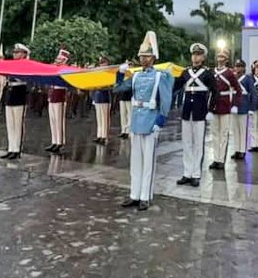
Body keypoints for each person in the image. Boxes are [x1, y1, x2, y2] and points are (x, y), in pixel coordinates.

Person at [114, 31, 173, 210]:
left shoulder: (160, 76)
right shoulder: (136, 76)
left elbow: (166, 99)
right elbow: (118, 89)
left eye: (145, 56)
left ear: (153, 57)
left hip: (151, 119)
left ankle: (145, 196)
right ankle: (134, 194)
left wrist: (160, 120)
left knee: (149, 162)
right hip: (137, 121)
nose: (142, 59)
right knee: (136, 161)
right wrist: (120, 73)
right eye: (141, 56)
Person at [174, 43, 216, 186]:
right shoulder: (185, 72)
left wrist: (210, 110)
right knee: (186, 143)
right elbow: (176, 86)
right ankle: (187, 172)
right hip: (187, 111)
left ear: (203, 57)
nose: (195, 57)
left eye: (198, 54)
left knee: (198, 143)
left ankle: (196, 174)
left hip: (200, 110)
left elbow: (215, 92)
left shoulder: (207, 73)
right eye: (194, 54)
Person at [208, 49, 243, 170]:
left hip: (225, 105)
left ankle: (221, 160)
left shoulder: (229, 74)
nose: (220, 58)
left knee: (223, 134)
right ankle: (215, 158)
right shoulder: (212, 72)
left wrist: (234, 105)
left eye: (223, 57)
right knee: (214, 134)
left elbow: (238, 90)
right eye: (219, 56)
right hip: (213, 106)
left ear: (226, 60)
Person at [1, 43, 30, 160]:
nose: (14, 54)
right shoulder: (11, 65)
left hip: (19, 96)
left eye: (17, 52)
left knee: (18, 125)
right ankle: (11, 148)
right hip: (10, 96)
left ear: (24, 54)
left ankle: (17, 149)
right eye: (14, 52)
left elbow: (25, 81)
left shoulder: (26, 65)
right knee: (10, 124)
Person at [46, 48, 70, 153]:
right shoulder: (54, 68)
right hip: (52, 94)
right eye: (57, 58)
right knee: (53, 120)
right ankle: (54, 141)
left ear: (64, 60)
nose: (57, 60)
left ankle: (60, 142)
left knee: (59, 120)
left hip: (60, 95)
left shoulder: (65, 69)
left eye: (60, 59)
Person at [230, 59, 253, 159]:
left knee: (242, 130)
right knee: (235, 130)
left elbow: (252, 93)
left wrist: (251, 107)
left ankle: (242, 150)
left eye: (240, 66)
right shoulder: (233, 78)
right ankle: (237, 149)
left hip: (243, 106)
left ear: (244, 68)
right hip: (233, 106)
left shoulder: (248, 79)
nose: (238, 68)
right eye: (237, 66)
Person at [91, 55, 114, 144]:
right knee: (99, 117)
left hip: (105, 96)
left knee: (105, 118)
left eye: (104, 63)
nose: (102, 65)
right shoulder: (98, 73)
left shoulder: (109, 73)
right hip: (98, 96)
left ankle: (104, 136)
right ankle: (99, 135)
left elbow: (110, 85)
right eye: (101, 64)